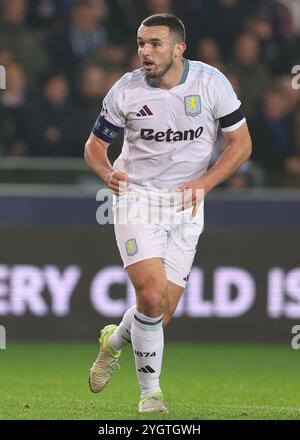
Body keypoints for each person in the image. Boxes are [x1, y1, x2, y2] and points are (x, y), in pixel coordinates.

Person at [84, 13, 252, 413]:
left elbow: (241, 145)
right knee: (152, 295)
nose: (145, 50)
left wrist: (206, 184)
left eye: (155, 43)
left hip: (188, 204)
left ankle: (114, 341)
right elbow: (93, 147)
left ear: (179, 49)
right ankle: (150, 395)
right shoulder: (125, 91)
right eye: (141, 43)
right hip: (137, 198)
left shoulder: (212, 84)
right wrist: (108, 173)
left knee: (161, 312)